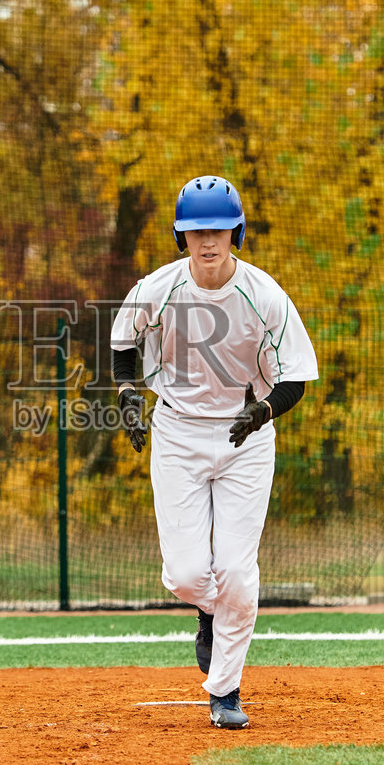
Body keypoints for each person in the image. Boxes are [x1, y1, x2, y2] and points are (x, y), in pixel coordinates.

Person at [111, 175, 318, 729]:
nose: (208, 242)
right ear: (182, 236)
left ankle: (224, 691)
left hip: (244, 441)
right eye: (196, 231)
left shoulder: (264, 295)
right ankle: (208, 610)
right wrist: (130, 395)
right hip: (178, 435)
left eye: (219, 231)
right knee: (184, 574)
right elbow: (123, 342)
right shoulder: (157, 288)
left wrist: (262, 411)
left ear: (237, 234)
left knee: (236, 571)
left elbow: (296, 377)